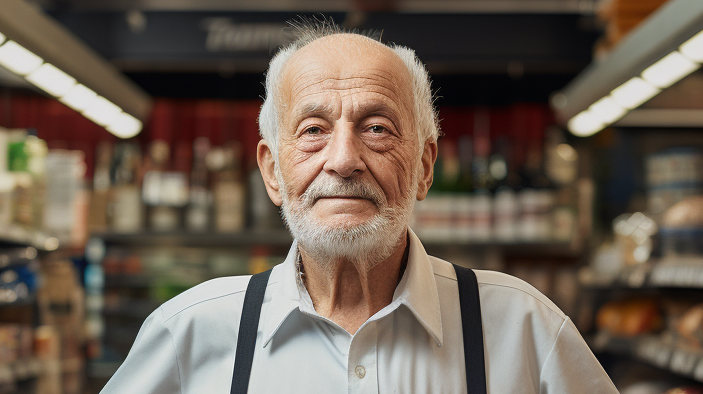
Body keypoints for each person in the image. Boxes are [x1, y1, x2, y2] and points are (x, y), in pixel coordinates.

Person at [100, 21, 619, 394]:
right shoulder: (190, 331)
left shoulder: (525, 330)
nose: (343, 160)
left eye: (376, 128)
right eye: (312, 131)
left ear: (423, 165)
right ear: (272, 172)